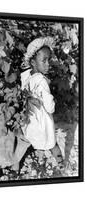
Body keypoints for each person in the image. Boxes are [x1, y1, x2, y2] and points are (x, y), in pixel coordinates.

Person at [20, 37, 64, 170]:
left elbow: (24, 92)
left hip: (31, 118)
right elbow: (50, 108)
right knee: (51, 143)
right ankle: (61, 164)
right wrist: (53, 101)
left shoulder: (26, 76)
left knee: (30, 139)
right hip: (43, 120)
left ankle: (19, 164)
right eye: (44, 60)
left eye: (48, 60)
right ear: (33, 62)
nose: (48, 64)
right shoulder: (42, 81)